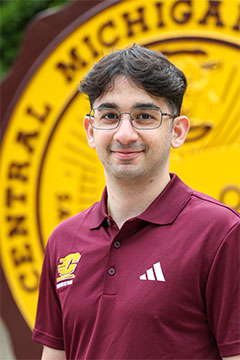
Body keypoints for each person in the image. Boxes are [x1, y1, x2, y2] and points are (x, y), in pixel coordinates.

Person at [32, 44, 240, 360]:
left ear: (178, 131)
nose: (125, 134)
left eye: (145, 116)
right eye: (110, 115)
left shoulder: (221, 233)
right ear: (90, 130)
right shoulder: (64, 240)